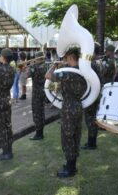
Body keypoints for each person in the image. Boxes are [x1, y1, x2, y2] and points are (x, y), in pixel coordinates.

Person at [45, 46, 87, 178]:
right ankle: (72, 165)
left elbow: (48, 76)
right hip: (78, 105)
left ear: (69, 57)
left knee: (68, 137)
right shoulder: (83, 71)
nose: (65, 60)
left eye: (66, 58)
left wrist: (54, 65)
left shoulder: (67, 73)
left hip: (69, 106)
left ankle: (70, 169)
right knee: (75, 136)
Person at [81, 42, 103, 150]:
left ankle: (91, 143)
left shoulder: (92, 63)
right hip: (95, 93)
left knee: (90, 120)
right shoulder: (98, 62)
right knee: (92, 119)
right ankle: (91, 142)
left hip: (92, 94)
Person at [27, 51, 47, 140]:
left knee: (37, 112)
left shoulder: (34, 67)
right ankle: (40, 132)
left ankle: (39, 134)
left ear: (37, 58)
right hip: (44, 91)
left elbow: (27, 75)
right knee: (41, 112)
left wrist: (30, 65)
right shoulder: (47, 65)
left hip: (37, 93)